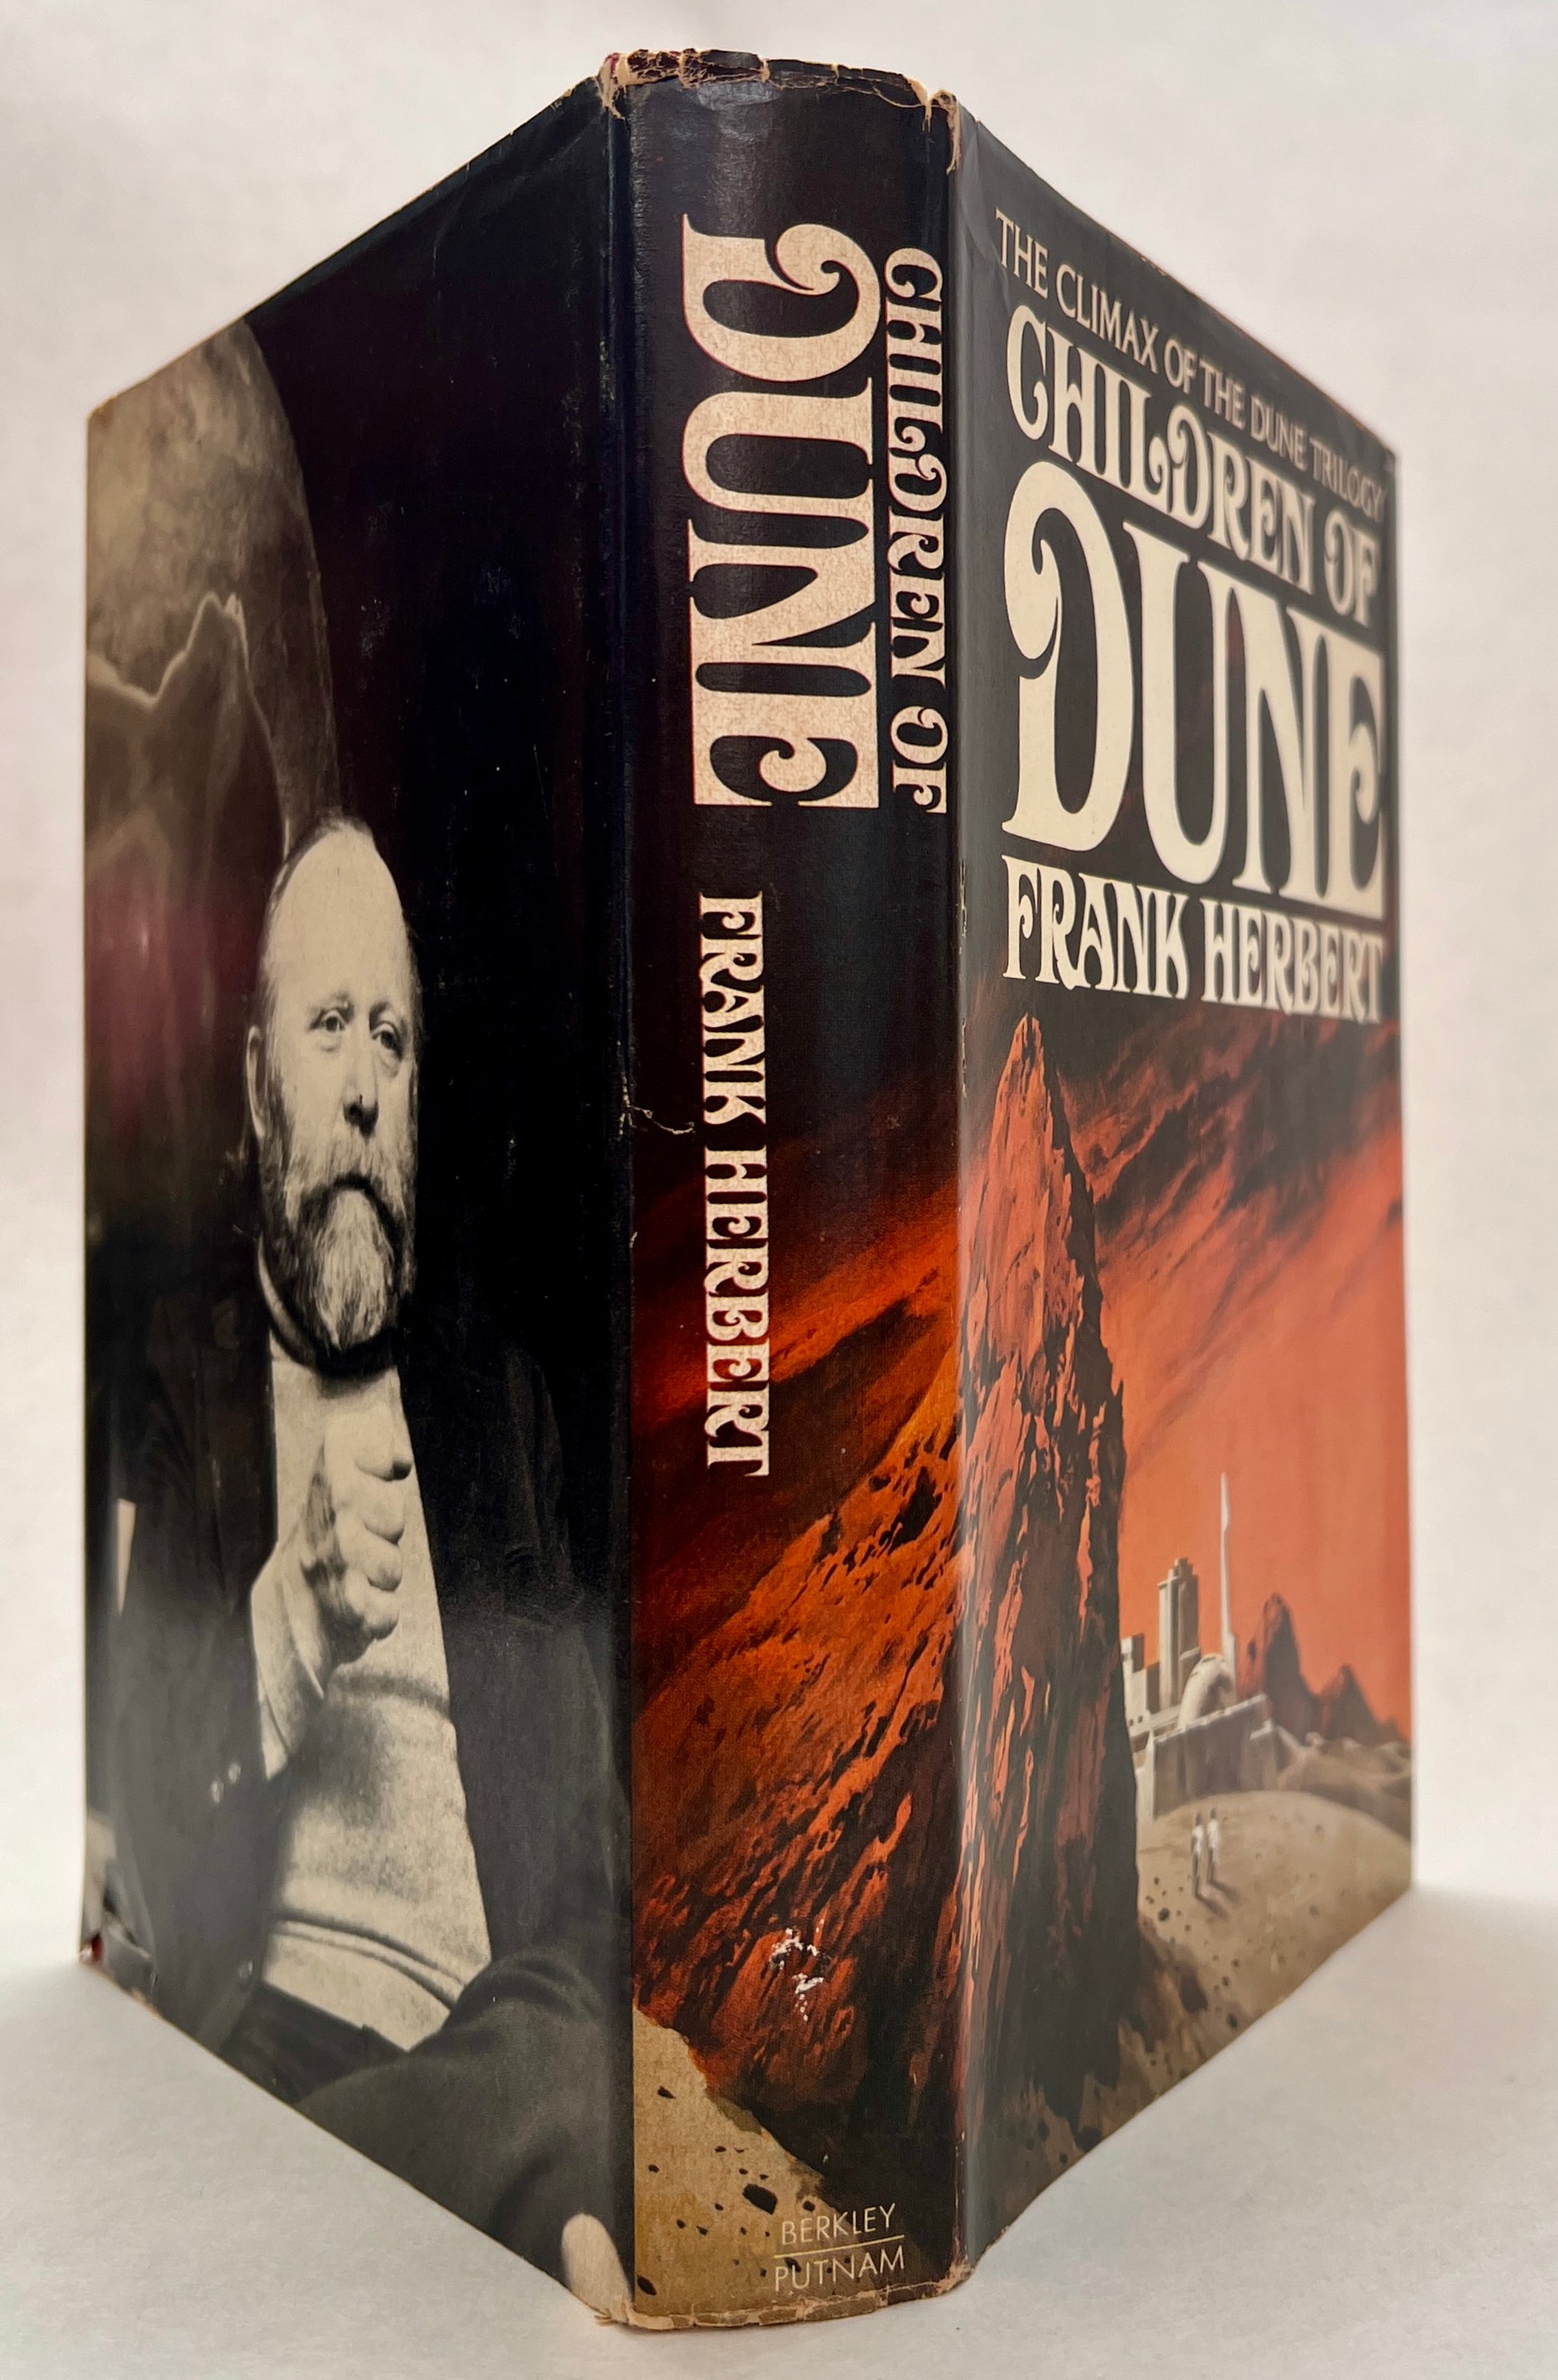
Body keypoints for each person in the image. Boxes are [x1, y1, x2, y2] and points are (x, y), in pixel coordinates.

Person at [110, 817, 627, 2312]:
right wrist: (291, 1614)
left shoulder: (498, 1405)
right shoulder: (182, 1386)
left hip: (487, 2039)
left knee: (570, 2049)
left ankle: (300, 2244)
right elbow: (142, 1824)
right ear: (257, 1082)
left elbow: (587, 1865)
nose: (359, 1083)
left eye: (390, 1040)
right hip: (270, 2039)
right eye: (326, 1025)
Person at [1207, 1806, 1222, 1889]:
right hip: (1214, 1844)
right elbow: (1217, 1835)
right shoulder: (1216, 1824)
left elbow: (1209, 1835)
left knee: (1210, 1862)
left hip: (1210, 1844)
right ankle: (1211, 1878)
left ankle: (1209, 1878)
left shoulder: (1210, 1824)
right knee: (1213, 1861)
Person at [1191, 1811, 1203, 1898]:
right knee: (1198, 1871)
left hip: (1196, 1852)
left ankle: (1194, 1891)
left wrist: (1192, 1850)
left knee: (1195, 1871)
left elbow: (1193, 1841)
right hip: (1199, 1852)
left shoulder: (1195, 1830)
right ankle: (1197, 1891)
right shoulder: (1201, 1830)